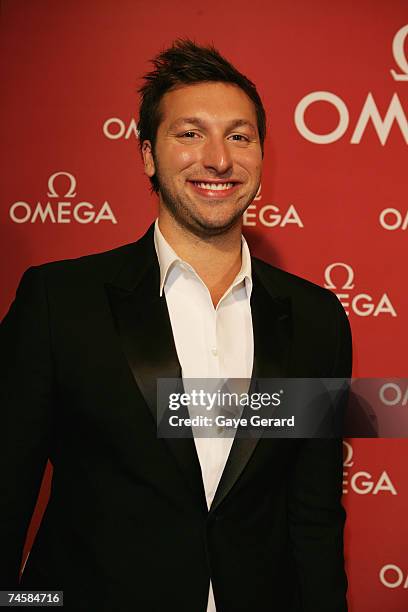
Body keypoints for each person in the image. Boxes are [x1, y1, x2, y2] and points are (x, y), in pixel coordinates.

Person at [0, 40, 351, 611]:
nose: (218, 159)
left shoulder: (315, 319)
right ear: (146, 155)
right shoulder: (59, 302)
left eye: (239, 136)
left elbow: (313, 516)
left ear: (261, 156)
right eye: (190, 134)